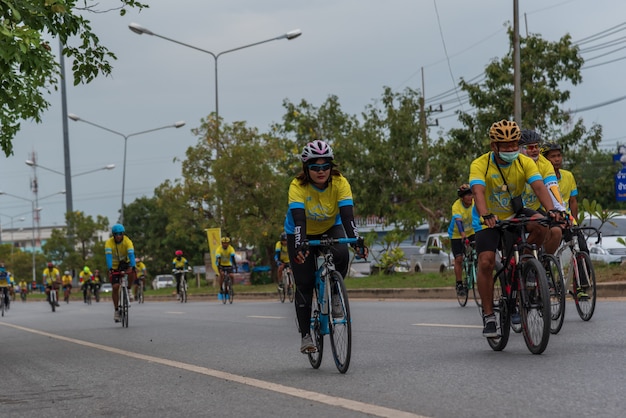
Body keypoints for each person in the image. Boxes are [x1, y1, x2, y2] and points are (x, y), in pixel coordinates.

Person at [469, 120, 561, 338]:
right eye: (506, 145)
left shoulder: (524, 162)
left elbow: (539, 187)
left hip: (514, 213)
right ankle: (490, 316)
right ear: (494, 146)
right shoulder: (480, 164)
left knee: (542, 224)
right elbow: (478, 192)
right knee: (486, 261)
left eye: (514, 145)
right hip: (487, 218)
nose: (511, 149)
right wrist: (485, 215)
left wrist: (552, 210)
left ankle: (527, 262)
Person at [284, 139, 368, 353]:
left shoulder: (340, 183)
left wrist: (356, 239)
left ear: (331, 167)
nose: (321, 171)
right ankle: (305, 335)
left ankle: (335, 291)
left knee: (341, 253)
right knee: (304, 283)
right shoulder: (297, 186)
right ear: (307, 168)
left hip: (331, 226)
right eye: (315, 167)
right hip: (300, 230)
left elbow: (348, 217)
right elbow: (300, 220)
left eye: (325, 166)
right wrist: (301, 243)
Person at [542, 141, 590, 297]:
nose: (557, 159)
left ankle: (581, 286)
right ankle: (546, 276)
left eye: (559, 155)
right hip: (549, 219)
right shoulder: (540, 177)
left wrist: (574, 221)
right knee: (547, 250)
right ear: (545, 160)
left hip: (567, 219)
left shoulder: (568, 176)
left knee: (582, 248)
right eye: (553, 156)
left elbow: (573, 201)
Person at [519, 129, 566, 254]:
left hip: (534, 208)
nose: (534, 150)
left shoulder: (545, 164)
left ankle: (542, 265)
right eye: (530, 147)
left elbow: (552, 187)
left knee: (556, 231)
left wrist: (560, 210)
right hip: (514, 209)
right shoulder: (514, 163)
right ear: (519, 149)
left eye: (536, 146)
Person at [105, 223, 137, 322]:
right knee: (115, 287)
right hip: (114, 266)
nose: (118, 236)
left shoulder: (128, 241)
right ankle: (116, 310)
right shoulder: (109, 243)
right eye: (116, 234)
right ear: (113, 235)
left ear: (123, 234)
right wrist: (110, 268)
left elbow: (131, 254)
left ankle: (128, 289)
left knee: (132, 272)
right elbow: (108, 257)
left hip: (125, 263)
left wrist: (133, 266)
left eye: (120, 234)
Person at [447, 184, 475, 296]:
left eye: (471, 194)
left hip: (472, 232)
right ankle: (459, 284)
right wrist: (463, 234)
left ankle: (473, 269)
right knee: (459, 259)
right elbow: (458, 221)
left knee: (479, 253)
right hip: (457, 234)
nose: (470, 197)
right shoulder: (456, 206)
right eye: (468, 195)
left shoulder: (475, 203)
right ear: (462, 197)